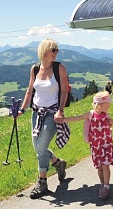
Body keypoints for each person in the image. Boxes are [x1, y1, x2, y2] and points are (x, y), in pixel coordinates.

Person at [17, 39, 69, 199]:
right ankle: (57, 163)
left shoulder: (59, 68)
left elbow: (64, 91)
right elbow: (29, 91)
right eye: (52, 49)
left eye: (56, 50)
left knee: (40, 147)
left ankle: (42, 182)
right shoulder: (35, 68)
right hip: (36, 113)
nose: (55, 52)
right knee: (38, 147)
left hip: (52, 113)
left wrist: (60, 111)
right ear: (43, 51)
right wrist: (22, 109)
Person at [63, 91, 113, 199]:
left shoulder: (106, 115)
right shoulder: (90, 115)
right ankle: (102, 184)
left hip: (106, 145)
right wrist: (64, 120)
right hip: (96, 146)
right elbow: (77, 118)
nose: (109, 106)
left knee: (105, 165)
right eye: (107, 104)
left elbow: (111, 123)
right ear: (100, 105)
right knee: (100, 167)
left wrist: (111, 122)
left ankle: (106, 186)